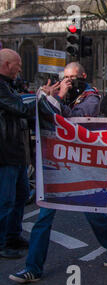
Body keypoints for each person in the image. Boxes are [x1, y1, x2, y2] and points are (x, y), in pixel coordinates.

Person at [9, 62, 107, 284]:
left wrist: (58, 97)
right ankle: (33, 268)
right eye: (65, 77)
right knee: (44, 216)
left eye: (73, 78)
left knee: (93, 213)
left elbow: (71, 121)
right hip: (57, 164)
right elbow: (40, 116)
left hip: (81, 166)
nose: (68, 81)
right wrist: (45, 95)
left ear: (83, 76)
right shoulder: (63, 93)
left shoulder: (92, 98)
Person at [0, 49, 35, 259]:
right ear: (6, 65)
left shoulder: (8, 86)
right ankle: (3, 242)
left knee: (21, 194)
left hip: (15, 151)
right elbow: (21, 108)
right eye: (18, 64)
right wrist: (42, 98)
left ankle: (13, 235)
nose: (20, 68)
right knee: (5, 200)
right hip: (4, 153)